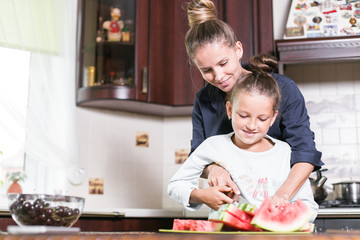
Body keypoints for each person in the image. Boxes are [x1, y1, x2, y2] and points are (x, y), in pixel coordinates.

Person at [184, 0, 323, 207]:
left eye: (223, 63)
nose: (219, 76)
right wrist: (214, 168)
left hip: (283, 203)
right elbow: (198, 155)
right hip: (234, 210)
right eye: (207, 70)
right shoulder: (203, 100)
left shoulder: (283, 89)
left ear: (238, 49)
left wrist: (282, 197)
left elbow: (305, 151)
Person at [167, 58, 318, 222]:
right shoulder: (212, 147)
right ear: (230, 109)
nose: (252, 125)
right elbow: (175, 186)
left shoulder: (284, 153)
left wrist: (283, 208)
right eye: (244, 116)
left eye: (262, 118)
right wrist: (201, 195)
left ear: (273, 118)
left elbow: (309, 206)